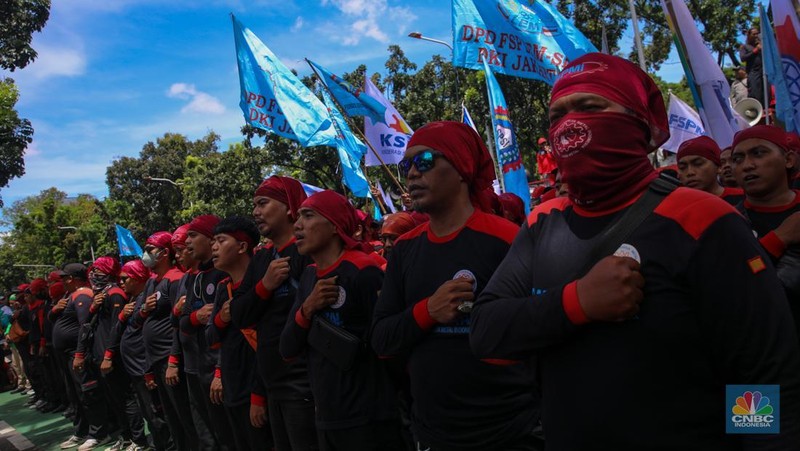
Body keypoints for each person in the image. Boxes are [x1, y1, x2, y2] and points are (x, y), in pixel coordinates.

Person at [469, 52, 800, 449]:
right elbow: (487, 332)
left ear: (640, 123)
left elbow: (761, 374)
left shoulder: (702, 219)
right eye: (558, 115)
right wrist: (578, 302)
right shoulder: (543, 222)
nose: (570, 124)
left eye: (590, 106)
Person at [371, 121, 540, 451]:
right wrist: (427, 312)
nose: (411, 174)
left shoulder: (508, 240)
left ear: (462, 168)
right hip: (434, 434)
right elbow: (381, 339)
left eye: (425, 162)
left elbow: (542, 332)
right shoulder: (405, 250)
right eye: (406, 165)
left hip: (511, 432)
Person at [281, 190, 403, 451]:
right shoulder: (308, 277)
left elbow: (390, 347)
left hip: (370, 420)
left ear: (335, 226)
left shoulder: (364, 271)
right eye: (298, 217)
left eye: (308, 216)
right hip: (327, 417)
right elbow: (287, 348)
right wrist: (307, 308)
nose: (298, 225)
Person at [228, 175, 318, 451]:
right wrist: (265, 286)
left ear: (290, 206)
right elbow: (241, 314)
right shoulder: (263, 259)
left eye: (263, 203)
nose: (256, 211)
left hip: (305, 388)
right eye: (254, 205)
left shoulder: (309, 252)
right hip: (273, 386)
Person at [207, 216, 274, 451]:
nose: (213, 247)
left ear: (242, 246)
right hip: (232, 390)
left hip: (258, 393)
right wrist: (222, 318)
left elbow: (268, 346)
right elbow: (211, 338)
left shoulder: (264, 284)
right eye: (213, 241)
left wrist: (259, 395)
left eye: (221, 240)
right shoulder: (223, 288)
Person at [731, 125, 800, 339]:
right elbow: (730, 289)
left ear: (788, 160)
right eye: (738, 159)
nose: (747, 165)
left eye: (759, 153)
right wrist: (778, 239)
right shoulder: (725, 222)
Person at [132, 232, 196, 450]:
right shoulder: (152, 282)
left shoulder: (176, 279)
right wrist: (143, 309)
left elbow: (179, 322)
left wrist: (173, 361)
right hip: (156, 361)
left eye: (149, 249)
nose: (145, 254)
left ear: (164, 253)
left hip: (171, 360)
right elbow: (137, 318)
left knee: (185, 415)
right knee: (171, 417)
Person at [179, 215, 234, 450]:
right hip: (202, 368)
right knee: (216, 433)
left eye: (193, 235)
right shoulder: (197, 277)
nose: (187, 241)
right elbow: (184, 323)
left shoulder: (224, 273)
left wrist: (220, 372)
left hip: (225, 372)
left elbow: (231, 329)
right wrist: (195, 316)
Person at [107, 259, 173, 451]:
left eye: (125, 279)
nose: (121, 283)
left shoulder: (147, 299)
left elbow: (146, 338)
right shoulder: (133, 301)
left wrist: (148, 370)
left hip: (146, 368)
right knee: (150, 415)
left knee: (157, 415)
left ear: (136, 279)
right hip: (136, 368)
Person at [52, 263, 111, 451]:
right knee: (76, 395)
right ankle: (82, 430)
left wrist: (79, 354)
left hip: (77, 355)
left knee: (88, 393)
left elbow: (85, 326)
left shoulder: (82, 295)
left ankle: (98, 432)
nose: (63, 281)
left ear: (74, 278)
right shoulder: (68, 296)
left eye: (65, 278)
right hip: (67, 355)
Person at [676, 136, 744, 205]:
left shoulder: (744, 199)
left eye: (698, 164)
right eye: (682, 167)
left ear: (719, 167)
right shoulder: (676, 208)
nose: (690, 172)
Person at [740, 27, 764, 106]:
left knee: (766, 94)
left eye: (757, 33)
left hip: (763, 73)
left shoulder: (761, 45)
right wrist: (755, 51)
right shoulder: (744, 47)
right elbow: (743, 58)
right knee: (756, 94)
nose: (756, 35)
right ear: (749, 35)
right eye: (754, 34)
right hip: (753, 73)